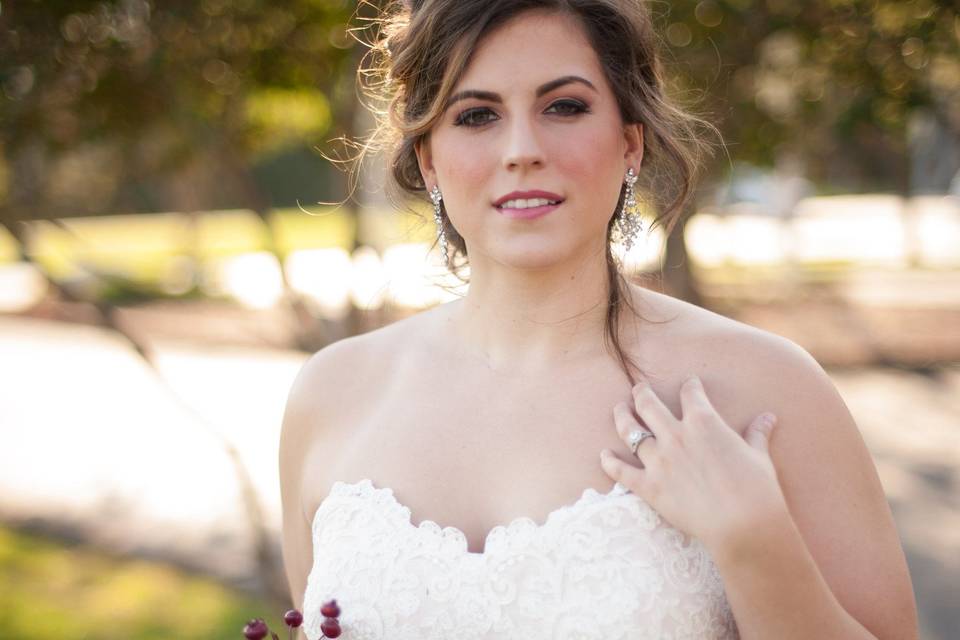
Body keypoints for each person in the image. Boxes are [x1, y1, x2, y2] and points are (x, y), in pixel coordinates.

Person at [279, 1, 919, 638]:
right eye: (476, 115)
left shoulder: (769, 389)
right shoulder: (331, 396)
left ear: (629, 143)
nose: (522, 150)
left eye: (564, 106)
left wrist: (753, 539)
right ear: (427, 160)